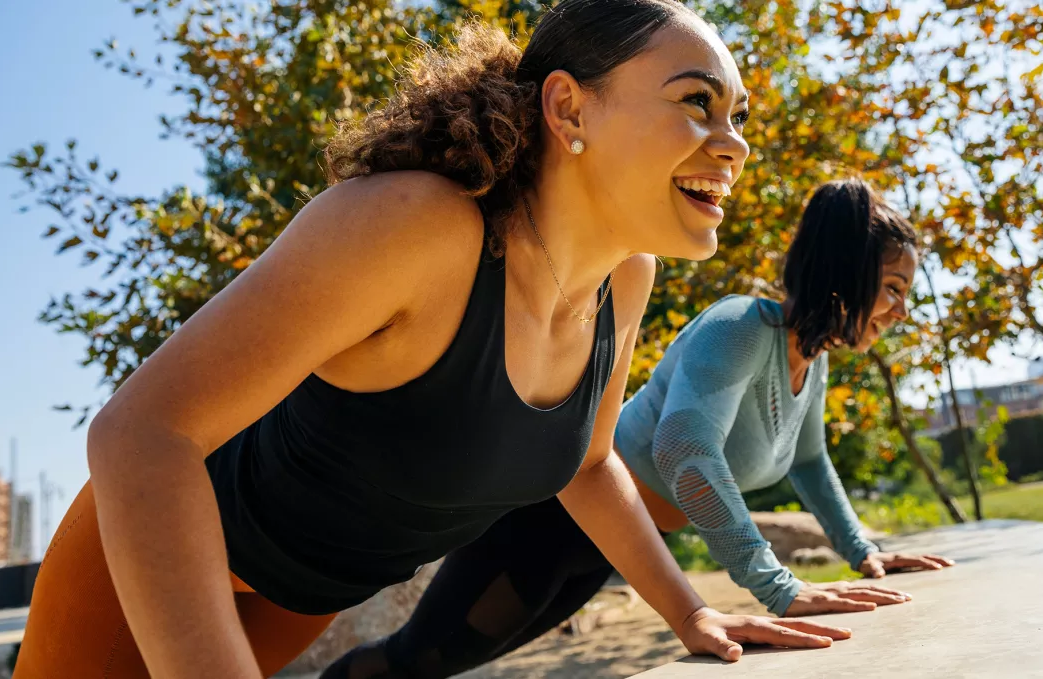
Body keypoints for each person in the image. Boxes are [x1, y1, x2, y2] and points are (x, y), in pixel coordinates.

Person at [13, 2, 855, 677]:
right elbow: (140, 433)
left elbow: (593, 466)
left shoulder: (624, 279)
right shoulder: (416, 226)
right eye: (696, 102)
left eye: (738, 115)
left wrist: (690, 610)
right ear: (568, 107)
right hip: (152, 559)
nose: (735, 142)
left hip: (306, 593)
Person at [323, 179, 956, 679]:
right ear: (848, 274)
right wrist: (776, 586)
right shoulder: (740, 328)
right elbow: (685, 449)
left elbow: (812, 464)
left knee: (445, 663)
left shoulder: (808, 362)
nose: (902, 308)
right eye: (894, 287)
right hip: (552, 519)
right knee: (418, 660)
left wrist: (863, 552)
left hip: (615, 545)